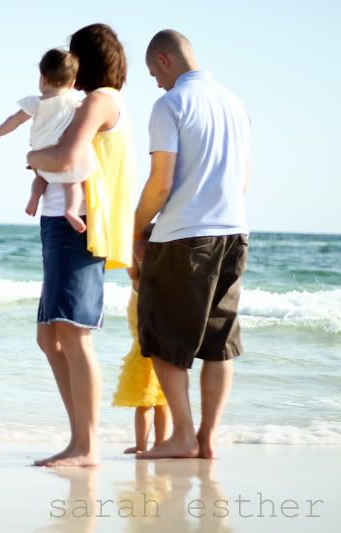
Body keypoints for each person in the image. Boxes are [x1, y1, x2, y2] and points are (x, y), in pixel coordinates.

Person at [134, 29, 250, 460]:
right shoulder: (236, 104)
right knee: (219, 342)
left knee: (164, 336)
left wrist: (134, 229)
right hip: (235, 231)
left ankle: (182, 436)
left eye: (153, 73)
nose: (156, 83)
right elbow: (243, 181)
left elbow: (160, 184)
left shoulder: (170, 104)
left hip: (184, 235)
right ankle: (206, 440)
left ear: (164, 60)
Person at [26, 23, 136, 467]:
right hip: (60, 223)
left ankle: (86, 447)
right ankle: (79, 438)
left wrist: (32, 158)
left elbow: (67, 157)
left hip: (79, 226)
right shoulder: (86, 101)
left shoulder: (99, 100)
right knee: (50, 336)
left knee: (72, 334)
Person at [0, 48, 96, 233]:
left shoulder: (35, 102)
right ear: (72, 83)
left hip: (42, 154)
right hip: (62, 153)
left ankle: (34, 198)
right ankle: (71, 210)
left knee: (40, 177)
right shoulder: (74, 102)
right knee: (73, 183)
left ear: (43, 79)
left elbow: (16, 120)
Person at [112, 224, 170, 454]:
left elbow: (133, 260)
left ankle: (145, 445)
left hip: (148, 348)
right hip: (160, 347)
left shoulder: (142, 279)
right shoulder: (149, 279)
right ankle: (155, 444)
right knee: (159, 401)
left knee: (149, 402)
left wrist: (134, 243)